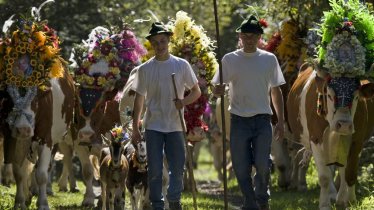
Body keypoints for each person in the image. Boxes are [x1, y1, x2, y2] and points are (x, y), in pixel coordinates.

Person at [213, 15, 285, 210]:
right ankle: (250, 202)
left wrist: (281, 121)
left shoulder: (269, 59)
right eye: (245, 35)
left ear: (259, 37)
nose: (249, 39)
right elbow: (216, 87)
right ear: (240, 37)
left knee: (262, 164)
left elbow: (276, 91)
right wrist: (216, 90)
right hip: (238, 120)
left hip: (263, 120)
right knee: (241, 167)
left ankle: (262, 198)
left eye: (253, 35)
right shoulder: (229, 59)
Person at [131, 22, 201, 210]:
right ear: (151, 44)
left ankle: (174, 201)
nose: (159, 46)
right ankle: (157, 205)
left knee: (177, 168)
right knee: (154, 170)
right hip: (153, 125)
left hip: (176, 125)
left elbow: (196, 92)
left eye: (162, 41)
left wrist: (183, 102)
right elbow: (139, 100)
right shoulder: (144, 69)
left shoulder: (181, 65)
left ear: (168, 40)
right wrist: (135, 127)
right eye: (155, 42)